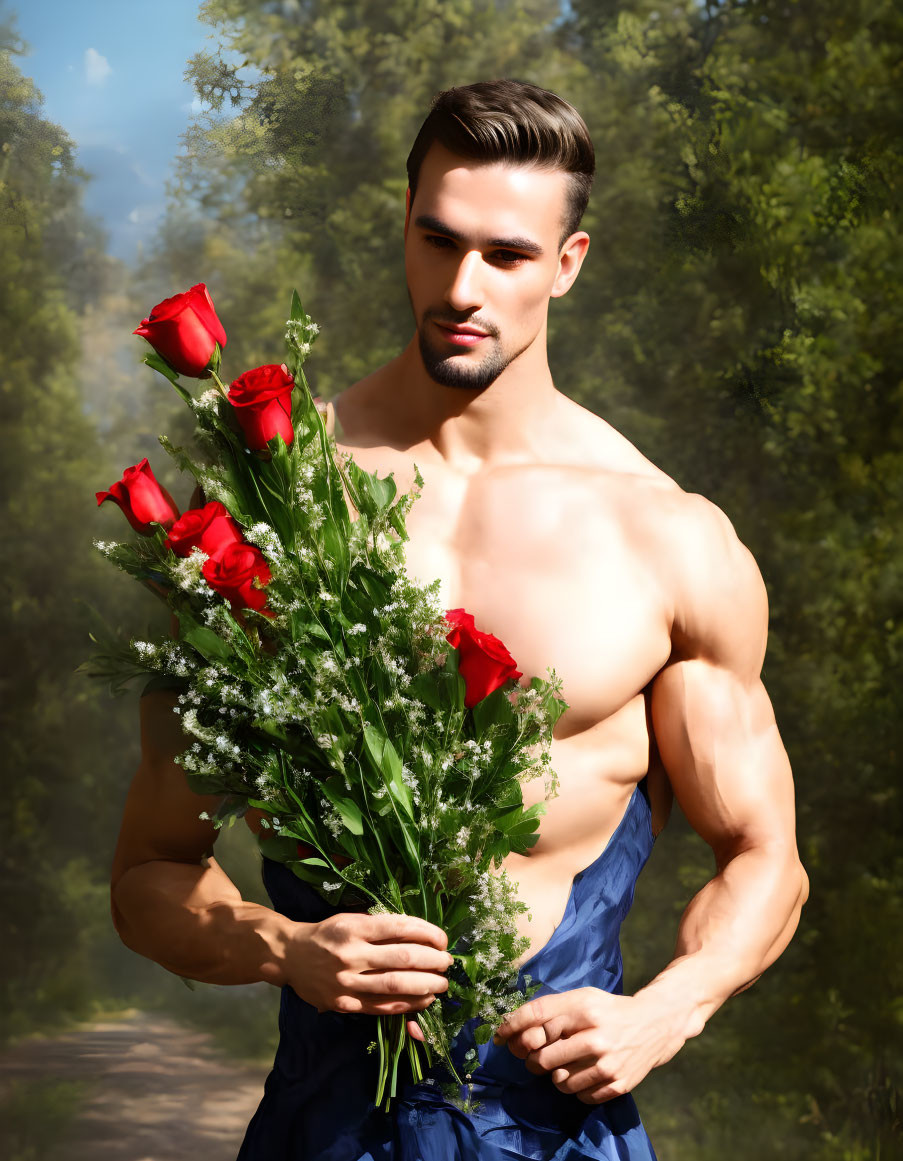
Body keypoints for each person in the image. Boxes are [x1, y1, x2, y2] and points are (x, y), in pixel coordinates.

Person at [110, 79, 809, 1160]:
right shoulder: (266, 514)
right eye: (437, 241)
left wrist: (668, 1009)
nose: (461, 286)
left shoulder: (668, 536)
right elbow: (150, 872)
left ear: (566, 265)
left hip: (560, 1130)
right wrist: (281, 946)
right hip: (323, 1128)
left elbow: (766, 855)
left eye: (507, 256)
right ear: (404, 226)